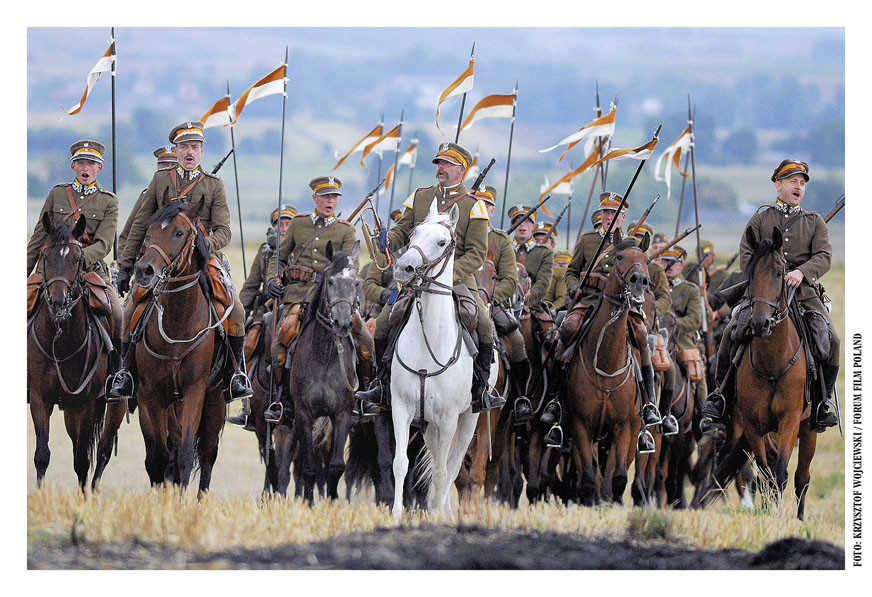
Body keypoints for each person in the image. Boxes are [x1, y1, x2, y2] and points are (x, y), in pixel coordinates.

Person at [356, 142, 505, 416]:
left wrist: (448, 274)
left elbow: (477, 253)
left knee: (483, 324)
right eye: (439, 163)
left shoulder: (474, 206)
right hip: (417, 279)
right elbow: (403, 229)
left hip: (458, 278)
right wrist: (388, 240)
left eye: (447, 164)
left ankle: (481, 389)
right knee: (386, 321)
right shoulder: (420, 196)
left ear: (462, 169)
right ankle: (380, 384)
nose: (441, 168)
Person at [109, 121, 252, 403]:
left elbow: (225, 230)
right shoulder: (161, 180)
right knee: (130, 309)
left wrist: (205, 243)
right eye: (185, 146)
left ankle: (237, 374)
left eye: (195, 147)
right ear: (175, 150)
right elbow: (140, 223)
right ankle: (125, 372)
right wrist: (126, 265)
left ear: (201, 152)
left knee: (236, 310)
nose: (190, 152)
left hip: (201, 259)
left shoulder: (214, 184)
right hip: (163, 260)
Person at [701, 159, 839, 433]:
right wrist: (765, 274)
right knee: (732, 330)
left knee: (831, 338)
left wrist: (801, 272)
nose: (798, 186)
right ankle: (720, 397)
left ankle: (823, 403)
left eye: (801, 182)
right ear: (778, 185)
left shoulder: (814, 223)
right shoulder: (761, 218)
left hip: (802, 293)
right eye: (792, 181)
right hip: (764, 292)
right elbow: (746, 255)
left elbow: (824, 257)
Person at [540, 192, 662, 451]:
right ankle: (555, 402)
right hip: (590, 301)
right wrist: (574, 286)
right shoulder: (588, 240)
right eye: (606, 212)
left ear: (622, 217)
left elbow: (638, 276)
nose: (610, 217)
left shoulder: (630, 245)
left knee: (641, 336)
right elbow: (572, 271)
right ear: (601, 215)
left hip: (621, 306)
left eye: (615, 213)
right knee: (568, 329)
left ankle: (649, 404)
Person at [264, 176, 374, 421]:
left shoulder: (346, 230)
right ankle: (282, 400)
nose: (330, 201)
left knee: (366, 341)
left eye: (334, 197)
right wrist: (274, 278)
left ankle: (364, 396)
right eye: (325, 196)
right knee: (282, 337)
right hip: (300, 294)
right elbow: (279, 257)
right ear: (315, 198)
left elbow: (347, 264)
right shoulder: (299, 224)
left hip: (336, 296)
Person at [26, 139, 122, 372]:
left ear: (99, 168)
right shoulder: (57, 194)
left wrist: (77, 259)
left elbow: (104, 243)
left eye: (91, 163)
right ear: (73, 167)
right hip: (51, 271)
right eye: (81, 163)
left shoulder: (108, 201)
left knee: (118, 315)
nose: (85, 168)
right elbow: (39, 237)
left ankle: (118, 374)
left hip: (90, 270)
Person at [227, 203, 298, 428]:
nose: (284, 227)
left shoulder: (303, 246)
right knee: (248, 344)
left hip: (295, 305)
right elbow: (250, 286)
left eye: (288, 223)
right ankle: (248, 404)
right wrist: (237, 311)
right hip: (267, 308)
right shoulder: (265, 251)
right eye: (280, 224)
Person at [478, 186, 533, 422]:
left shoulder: (499, 240)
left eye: (484, 205)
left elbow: (510, 281)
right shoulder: (455, 234)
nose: (479, 209)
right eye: (475, 203)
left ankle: (520, 398)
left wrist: (488, 297)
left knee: (518, 342)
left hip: (492, 302)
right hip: (461, 297)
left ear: (491, 211)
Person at [660, 245, 703, 431]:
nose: (669, 266)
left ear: (681, 265)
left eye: (674, 262)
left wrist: (674, 324)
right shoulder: (655, 286)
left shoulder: (690, 289)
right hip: (658, 340)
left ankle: (702, 416)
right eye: (665, 261)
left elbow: (695, 319)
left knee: (698, 373)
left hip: (681, 341)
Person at [117, 146, 176, 257]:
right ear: (157, 168)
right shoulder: (146, 196)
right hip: (146, 258)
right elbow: (127, 234)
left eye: (172, 165)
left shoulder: (185, 197)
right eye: (163, 165)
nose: (168, 169)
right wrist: (122, 262)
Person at [509, 205, 554, 315]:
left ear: (533, 226)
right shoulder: (503, 248)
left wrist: (526, 299)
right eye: (517, 221)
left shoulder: (544, 252)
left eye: (526, 221)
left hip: (532, 306)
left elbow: (543, 283)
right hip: (504, 303)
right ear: (512, 225)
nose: (521, 224)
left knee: (547, 329)